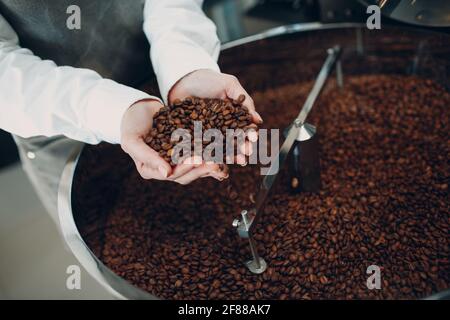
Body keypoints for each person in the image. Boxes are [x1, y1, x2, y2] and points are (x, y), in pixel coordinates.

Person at [0, 0, 262, 223]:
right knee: (103, 229)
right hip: (56, 119)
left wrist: (185, 64)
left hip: (155, 65)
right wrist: (115, 110)